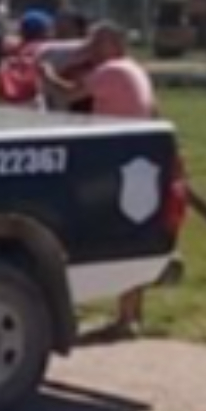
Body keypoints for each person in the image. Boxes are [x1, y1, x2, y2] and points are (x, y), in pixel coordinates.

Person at [51, 22, 157, 335]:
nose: (93, 49)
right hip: (141, 154)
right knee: (135, 230)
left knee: (110, 229)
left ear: (113, 44)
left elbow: (68, 93)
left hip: (117, 157)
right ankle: (130, 315)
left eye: (99, 43)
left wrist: (44, 75)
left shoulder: (110, 72)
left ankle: (119, 317)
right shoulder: (135, 70)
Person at [0, 10, 53, 105]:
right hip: (31, 101)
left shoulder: (12, 51)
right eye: (48, 29)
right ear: (41, 31)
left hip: (4, 100)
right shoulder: (45, 49)